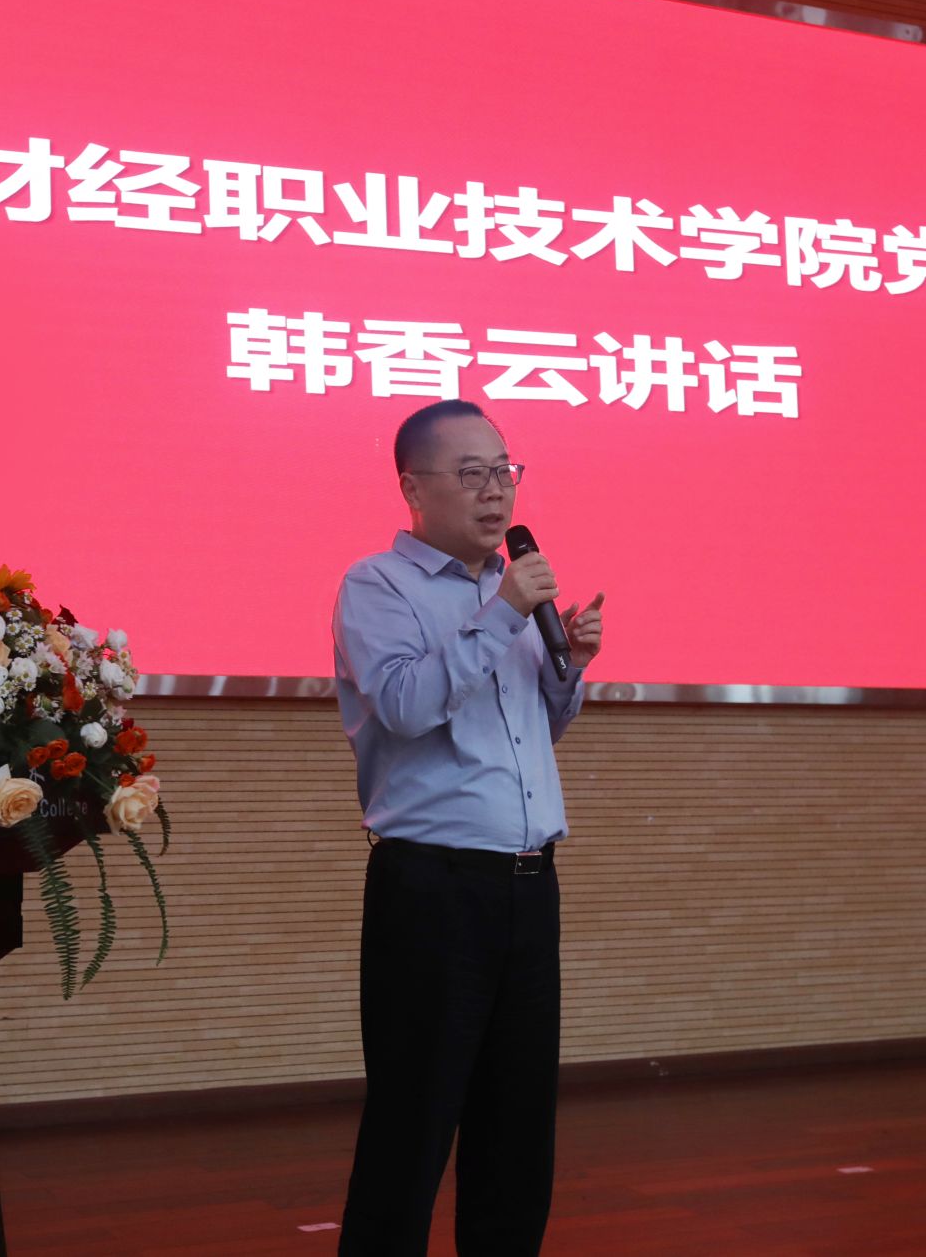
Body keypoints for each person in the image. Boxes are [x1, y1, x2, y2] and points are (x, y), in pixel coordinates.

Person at [331, 398, 605, 1257]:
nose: (497, 492)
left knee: (517, 1128)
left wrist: (569, 668)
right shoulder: (378, 585)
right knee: (413, 1125)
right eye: (473, 473)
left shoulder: (507, 594)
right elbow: (407, 705)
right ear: (414, 487)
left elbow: (528, 734)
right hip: (433, 889)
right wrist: (506, 615)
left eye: (505, 471)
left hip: (528, 884)